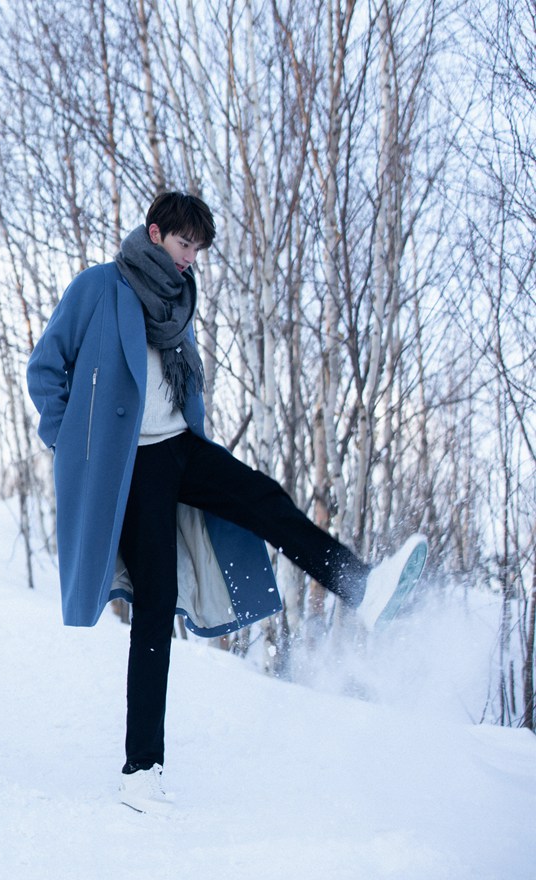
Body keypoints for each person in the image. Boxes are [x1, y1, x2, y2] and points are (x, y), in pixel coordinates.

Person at [25, 191, 426, 816]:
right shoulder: (99, 288)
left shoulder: (177, 301)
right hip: (130, 467)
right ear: (155, 234)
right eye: (185, 246)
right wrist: (73, 442)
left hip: (180, 447)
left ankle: (359, 585)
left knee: (262, 497)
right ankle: (140, 771)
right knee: (156, 607)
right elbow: (45, 369)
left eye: (198, 251)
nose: (191, 260)